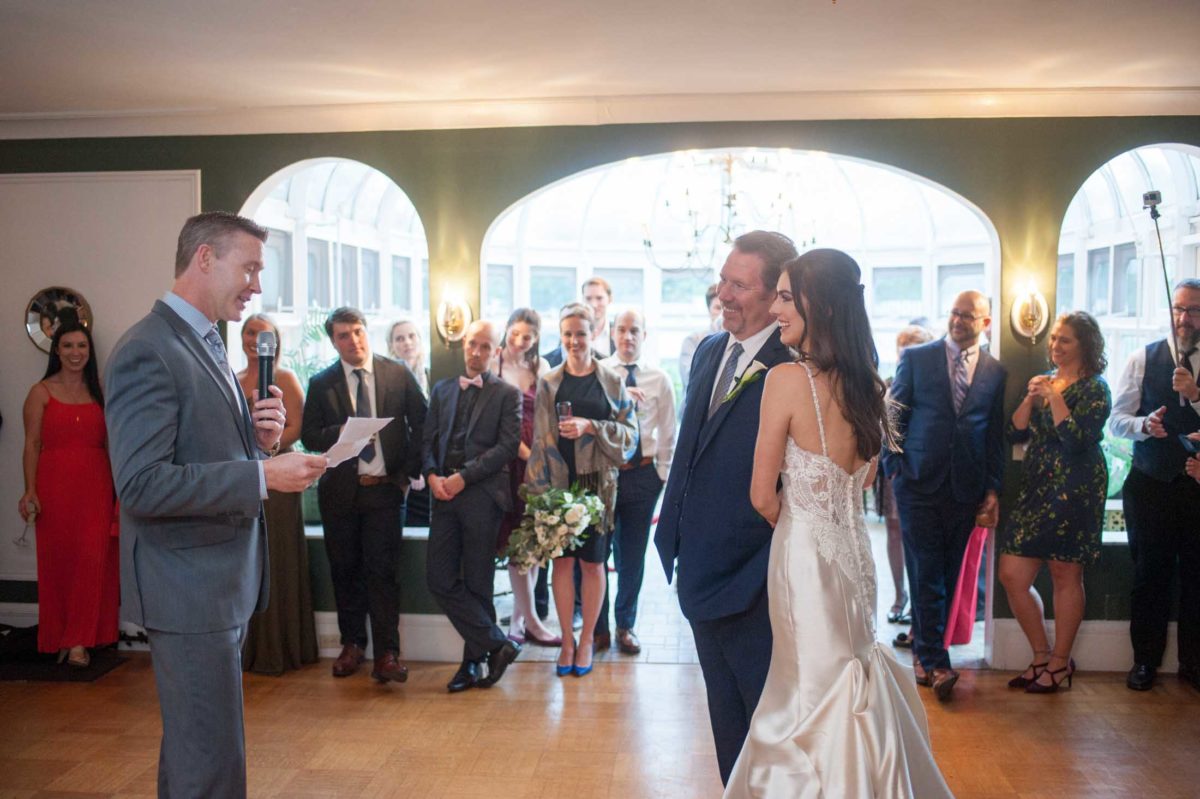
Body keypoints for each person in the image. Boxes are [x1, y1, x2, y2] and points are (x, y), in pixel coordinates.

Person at [105, 211, 328, 798]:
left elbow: (199, 451)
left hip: (216, 582)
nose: (257, 286)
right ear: (205, 258)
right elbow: (142, 484)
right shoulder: (148, 349)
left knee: (200, 749)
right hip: (188, 588)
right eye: (249, 268)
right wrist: (261, 475)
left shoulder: (203, 340)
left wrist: (257, 440)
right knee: (208, 758)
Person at [724, 248, 952, 797]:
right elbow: (864, 481)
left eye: (786, 297)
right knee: (848, 665)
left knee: (804, 687)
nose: (775, 309)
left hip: (803, 556)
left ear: (820, 305)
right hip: (855, 557)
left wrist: (800, 525)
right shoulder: (870, 387)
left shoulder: (784, 379)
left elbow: (761, 495)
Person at [654, 230, 798, 785]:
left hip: (755, 576)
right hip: (697, 566)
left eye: (739, 285)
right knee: (725, 713)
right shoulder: (710, 350)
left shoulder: (796, 364)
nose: (724, 294)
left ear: (776, 293)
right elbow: (693, 449)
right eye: (722, 280)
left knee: (766, 716)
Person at [883, 289, 1007, 701]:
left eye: (968, 316)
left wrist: (992, 488)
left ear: (985, 323)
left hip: (965, 488)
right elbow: (894, 414)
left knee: (950, 575)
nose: (958, 320)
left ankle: (925, 654)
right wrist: (893, 467)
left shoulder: (995, 371)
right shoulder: (918, 358)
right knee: (926, 572)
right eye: (954, 312)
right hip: (917, 482)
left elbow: (993, 435)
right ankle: (937, 663)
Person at [300, 307, 428, 683]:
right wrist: (343, 431)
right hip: (340, 494)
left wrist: (406, 475)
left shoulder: (397, 373)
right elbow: (309, 436)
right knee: (345, 571)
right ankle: (352, 645)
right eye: (344, 335)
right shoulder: (322, 383)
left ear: (366, 332)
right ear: (333, 341)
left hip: (385, 491)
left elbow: (423, 422)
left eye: (358, 331)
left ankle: (387, 654)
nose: (353, 340)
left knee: (383, 574)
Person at [999, 312, 1111, 693]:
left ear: (1085, 345)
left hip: (1077, 487)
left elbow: (1076, 438)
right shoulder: (1045, 381)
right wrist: (1032, 398)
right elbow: (1015, 432)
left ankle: (1060, 663)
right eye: (1054, 339)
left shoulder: (1096, 389)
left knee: (1065, 574)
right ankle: (1040, 655)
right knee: (1012, 574)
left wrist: (1055, 397)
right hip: (1037, 486)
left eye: (1065, 340)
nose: (1056, 346)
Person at [526, 302, 637, 677]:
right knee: (562, 563)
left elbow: (631, 438)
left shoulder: (612, 381)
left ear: (594, 334)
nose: (574, 341)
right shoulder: (549, 382)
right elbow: (540, 442)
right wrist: (541, 498)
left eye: (581, 334)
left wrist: (591, 426)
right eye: (567, 334)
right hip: (559, 486)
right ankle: (567, 641)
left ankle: (588, 638)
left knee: (593, 564)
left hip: (597, 488)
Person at [422, 320, 523, 692]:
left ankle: (471, 664)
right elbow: (427, 441)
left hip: (482, 494)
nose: (477, 352)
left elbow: (507, 447)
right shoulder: (442, 389)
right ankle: (498, 645)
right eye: (472, 345)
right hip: (443, 494)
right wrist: (432, 476)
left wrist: (464, 477)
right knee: (438, 578)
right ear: (464, 345)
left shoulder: (507, 394)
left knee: (479, 583)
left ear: (496, 351)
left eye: (485, 347)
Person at [1110, 278, 1200, 692]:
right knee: (1150, 575)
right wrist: (1144, 425)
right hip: (1150, 484)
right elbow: (1117, 421)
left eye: (1194, 310)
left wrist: (1195, 395)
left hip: (1197, 485)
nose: (1184, 318)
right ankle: (1145, 661)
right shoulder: (1141, 358)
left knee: (1197, 578)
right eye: (1179, 308)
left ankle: (1193, 664)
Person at [19, 322, 118, 668]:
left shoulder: (101, 392)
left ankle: (79, 641)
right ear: (57, 351)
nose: (76, 353)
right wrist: (29, 490)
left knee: (93, 560)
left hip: (97, 486)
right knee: (58, 562)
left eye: (81, 346)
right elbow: (32, 444)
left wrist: (120, 491)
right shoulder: (40, 392)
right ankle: (62, 637)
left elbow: (112, 444)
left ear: (89, 351)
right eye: (68, 346)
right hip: (54, 487)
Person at [234, 313, 319, 675]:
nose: (255, 339)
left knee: (278, 556)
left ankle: (282, 648)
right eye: (250, 332)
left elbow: (298, 426)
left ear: (275, 342)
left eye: (262, 334)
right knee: (247, 558)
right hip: (243, 478)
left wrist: (265, 445)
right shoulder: (233, 379)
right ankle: (248, 648)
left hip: (279, 476)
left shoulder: (284, 378)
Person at [597, 308, 676, 655]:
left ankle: (625, 625)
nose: (628, 337)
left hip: (644, 476)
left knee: (632, 556)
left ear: (645, 335)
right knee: (597, 554)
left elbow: (669, 431)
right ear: (612, 333)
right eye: (622, 330)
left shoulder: (659, 378)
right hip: (604, 474)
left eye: (635, 331)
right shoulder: (599, 373)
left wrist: (661, 475)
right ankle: (598, 628)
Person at [493, 308, 561, 647]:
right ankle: (533, 621)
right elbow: (495, 422)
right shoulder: (494, 365)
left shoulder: (541, 366)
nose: (520, 341)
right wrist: (526, 454)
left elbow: (548, 415)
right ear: (506, 330)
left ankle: (520, 620)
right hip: (507, 462)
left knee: (533, 545)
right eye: (515, 334)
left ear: (536, 340)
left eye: (528, 337)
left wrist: (543, 458)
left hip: (538, 460)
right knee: (516, 545)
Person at [877, 324, 934, 648]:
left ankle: (916, 602)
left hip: (919, 473)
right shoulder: (889, 384)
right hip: (893, 469)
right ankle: (899, 596)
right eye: (902, 349)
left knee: (917, 538)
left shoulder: (932, 385)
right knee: (894, 531)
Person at [388, 318, 431, 527]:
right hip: (399, 463)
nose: (407, 342)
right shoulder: (388, 380)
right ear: (391, 346)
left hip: (429, 462)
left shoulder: (431, 376)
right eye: (399, 338)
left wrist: (422, 467)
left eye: (412, 336)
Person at [543, 276, 616, 367]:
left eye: (599, 298)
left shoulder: (619, 332)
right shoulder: (568, 329)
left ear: (610, 299)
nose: (593, 304)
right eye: (588, 298)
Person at [678, 282, 723, 392]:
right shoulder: (693, 341)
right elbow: (691, 379)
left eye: (726, 308)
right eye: (718, 308)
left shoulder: (737, 341)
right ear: (709, 310)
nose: (722, 314)